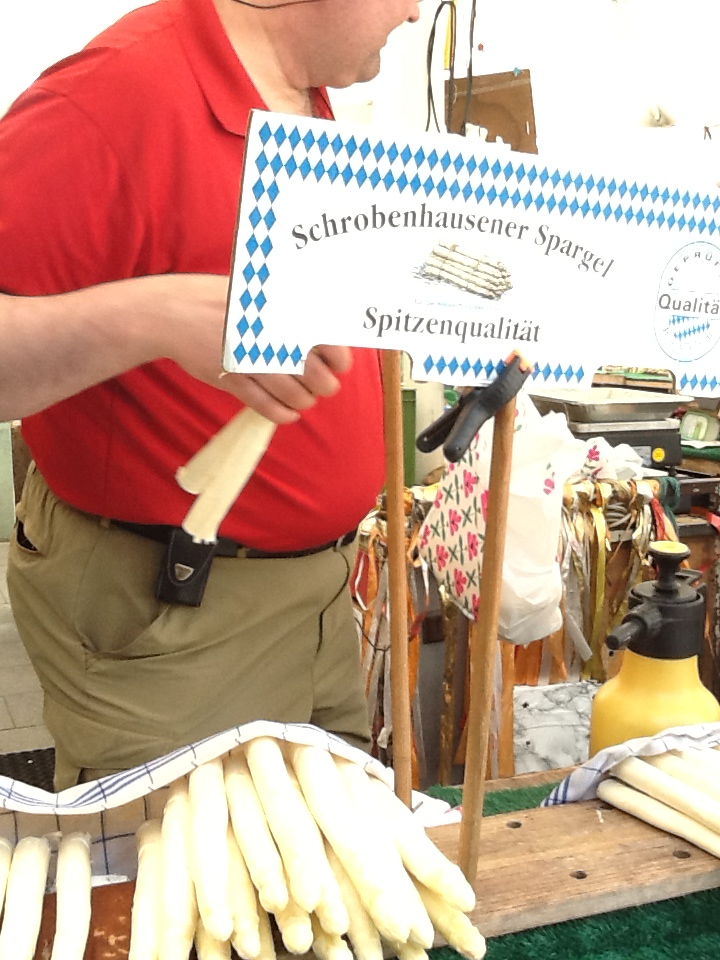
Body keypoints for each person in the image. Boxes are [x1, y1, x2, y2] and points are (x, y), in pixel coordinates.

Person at [0, 0, 420, 788]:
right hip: (174, 613)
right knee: (171, 861)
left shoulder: (306, 101)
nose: (413, 11)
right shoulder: (115, 94)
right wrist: (153, 315)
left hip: (320, 600)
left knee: (316, 857)